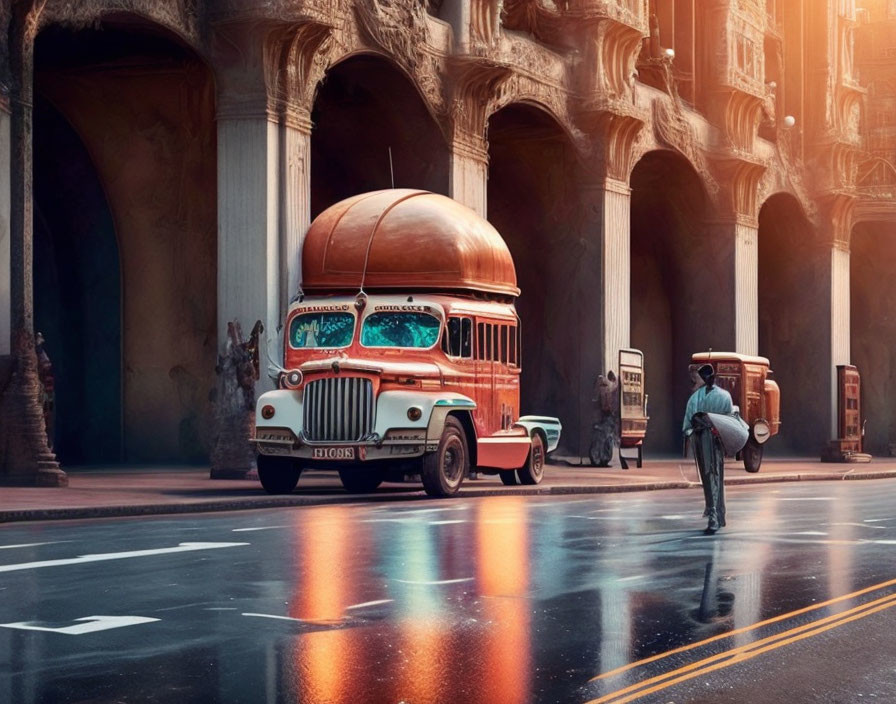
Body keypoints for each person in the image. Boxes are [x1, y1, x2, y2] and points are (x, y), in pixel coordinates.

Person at [682, 364, 732, 534]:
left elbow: (730, 420)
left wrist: (720, 432)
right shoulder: (695, 398)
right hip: (701, 440)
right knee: (707, 478)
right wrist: (693, 431)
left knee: (715, 476)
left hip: (715, 441)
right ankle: (714, 513)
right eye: (704, 375)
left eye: (710, 375)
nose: (708, 378)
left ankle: (716, 516)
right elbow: (687, 423)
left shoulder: (724, 396)